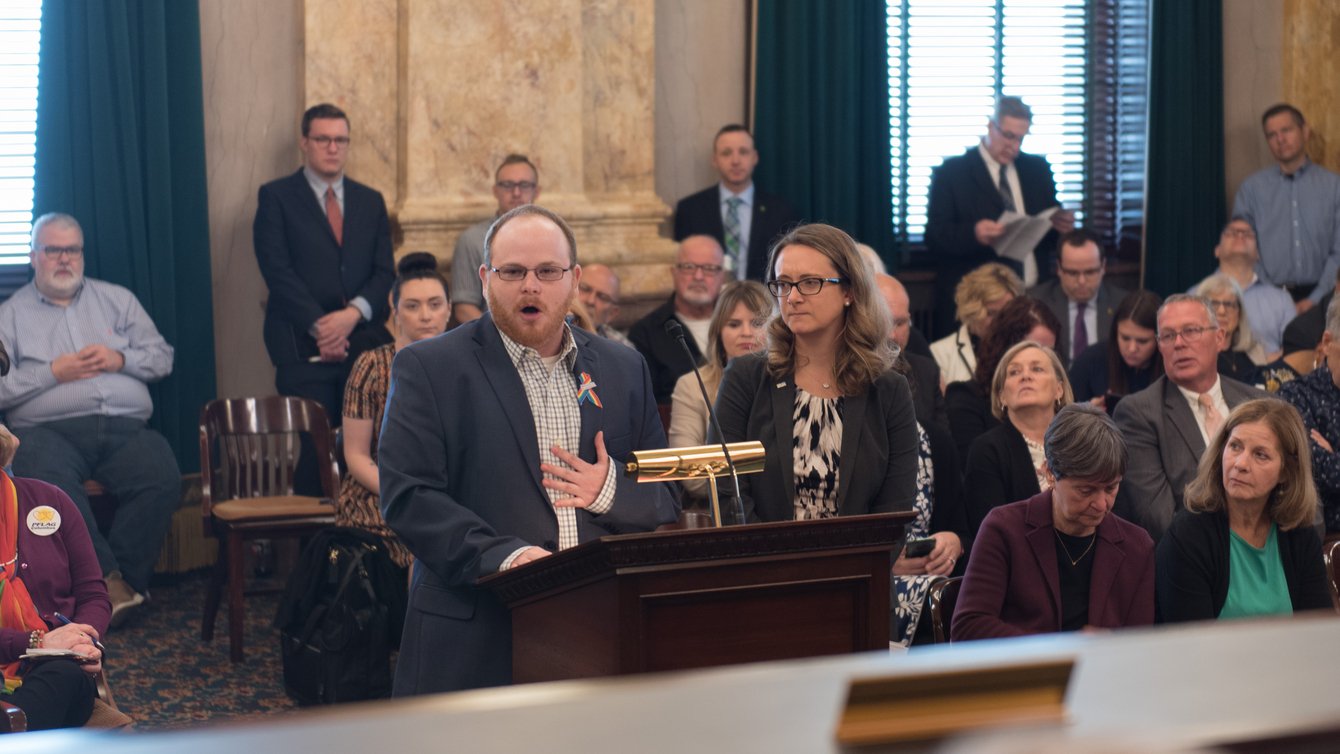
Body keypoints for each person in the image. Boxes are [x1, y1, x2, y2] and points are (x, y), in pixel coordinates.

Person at [378, 205, 679, 696]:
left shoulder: (625, 368)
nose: (531, 286)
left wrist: (607, 492)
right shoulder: (428, 368)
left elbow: (662, 493)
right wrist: (510, 559)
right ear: (484, 278)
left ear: (574, 279)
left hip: (599, 627)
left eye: (548, 272)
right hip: (476, 628)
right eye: (513, 271)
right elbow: (409, 497)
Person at [0, 213, 179, 627]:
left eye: (72, 249)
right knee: (48, 482)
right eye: (53, 250)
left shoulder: (118, 299)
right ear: (33, 256)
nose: (64, 259)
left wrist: (122, 359)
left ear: (82, 254)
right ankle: (108, 584)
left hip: (125, 427)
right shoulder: (10, 315)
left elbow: (162, 357)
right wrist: (53, 372)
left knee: (161, 475)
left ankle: (120, 587)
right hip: (47, 431)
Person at [713, 223, 919, 523]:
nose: (793, 297)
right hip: (761, 563)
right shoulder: (746, 377)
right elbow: (727, 491)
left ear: (849, 291)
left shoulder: (888, 389)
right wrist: (769, 565)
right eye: (783, 284)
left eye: (809, 282)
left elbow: (896, 507)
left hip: (860, 564)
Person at [952, 403, 1155, 641]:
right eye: (1086, 490)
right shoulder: (1003, 529)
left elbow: (1140, 646)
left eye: (1111, 488)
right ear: (1050, 474)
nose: (1101, 504)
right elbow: (968, 629)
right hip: (1027, 676)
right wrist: (1061, 648)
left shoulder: (1137, 546)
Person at [253, 103, 395, 427]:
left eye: (340, 140)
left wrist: (351, 315)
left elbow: (385, 271)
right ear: (304, 142)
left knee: (364, 443)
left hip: (363, 344)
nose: (333, 148)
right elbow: (277, 270)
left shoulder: (370, 200)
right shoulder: (276, 197)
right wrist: (322, 328)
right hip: (299, 344)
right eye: (322, 140)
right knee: (314, 453)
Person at [1156, 399, 1331, 622]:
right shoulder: (1188, 536)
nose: (1240, 464)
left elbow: (1316, 635)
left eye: (1260, 455)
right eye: (1235, 446)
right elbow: (1191, 647)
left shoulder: (1300, 537)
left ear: (1286, 471)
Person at [1113, 295, 1267, 542]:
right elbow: (1158, 520)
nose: (1179, 343)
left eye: (1191, 331)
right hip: (1197, 564)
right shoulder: (1138, 413)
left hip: (1270, 551)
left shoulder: (1261, 403)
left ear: (1220, 337)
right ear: (1159, 346)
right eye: (1168, 335)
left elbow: (1302, 498)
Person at [339, 253, 451, 575]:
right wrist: (407, 494)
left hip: (447, 493)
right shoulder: (371, 366)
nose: (425, 316)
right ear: (395, 309)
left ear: (449, 307)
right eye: (413, 306)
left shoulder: (466, 367)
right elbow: (357, 456)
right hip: (379, 493)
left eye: (435, 304)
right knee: (423, 536)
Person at [925, 96, 1074, 337]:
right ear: (990, 126)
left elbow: (1047, 231)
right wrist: (974, 233)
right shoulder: (952, 173)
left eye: (1021, 139)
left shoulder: (1037, 170)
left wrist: (1060, 226)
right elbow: (935, 237)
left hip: (1036, 292)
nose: (1014, 146)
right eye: (1008, 136)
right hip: (984, 302)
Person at [0, 419, 109, 730]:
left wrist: (82, 639)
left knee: (64, 675)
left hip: (58, 665)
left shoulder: (50, 501)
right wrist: (34, 641)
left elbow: (93, 594)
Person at [667, 280, 772, 504]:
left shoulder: (792, 380)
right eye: (734, 324)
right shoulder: (692, 385)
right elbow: (691, 475)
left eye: (756, 323)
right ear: (718, 333)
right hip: (715, 511)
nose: (746, 333)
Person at [1232, 104, 1340, 313]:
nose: (1280, 139)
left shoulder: (1334, 186)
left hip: (1328, 298)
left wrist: (1316, 299)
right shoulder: (1251, 190)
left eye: (1286, 130)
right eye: (1272, 135)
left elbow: (1339, 250)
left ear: (1305, 132)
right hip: (1265, 299)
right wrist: (1275, 298)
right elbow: (1243, 250)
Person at [963, 341, 1075, 542]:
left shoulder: (1081, 442)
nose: (1025, 376)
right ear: (1002, 397)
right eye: (1014, 372)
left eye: (1037, 369)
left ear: (1059, 389)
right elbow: (993, 533)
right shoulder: (987, 450)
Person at [673, 124, 798, 281]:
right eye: (726, 153)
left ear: (755, 158)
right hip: (709, 302)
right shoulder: (690, 210)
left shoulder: (781, 211)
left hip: (763, 301)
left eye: (743, 152)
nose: (735, 161)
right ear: (714, 160)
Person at [945, 295, 1061, 462]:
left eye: (1048, 351)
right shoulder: (965, 398)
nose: (1039, 356)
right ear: (1004, 347)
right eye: (1028, 348)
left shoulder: (1061, 399)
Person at [628, 236, 728, 405]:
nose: (698, 276)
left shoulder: (743, 324)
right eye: (689, 267)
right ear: (673, 273)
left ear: (723, 277)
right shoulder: (646, 334)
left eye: (709, 268)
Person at [450, 154, 542, 324]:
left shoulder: (552, 239)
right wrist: (501, 338)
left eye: (524, 185)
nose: (516, 193)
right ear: (495, 191)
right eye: (507, 185)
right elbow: (464, 309)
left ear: (537, 191)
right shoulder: (472, 240)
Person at [1278, 296, 1340, 533]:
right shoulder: (1296, 396)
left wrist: (1334, 458)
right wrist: (1329, 462)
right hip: (1327, 542)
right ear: (1327, 342)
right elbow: (1316, 470)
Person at [1027, 229, 1128, 366]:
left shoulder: (1122, 304)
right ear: (1059, 269)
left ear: (1103, 267)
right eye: (1073, 273)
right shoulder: (1036, 303)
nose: (1081, 281)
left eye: (1090, 272)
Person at [1201, 217, 1294, 358]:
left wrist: (1267, 365)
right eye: (1231, 233)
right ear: (1217, 250)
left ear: (1258, 254)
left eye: (1248, 234)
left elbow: (1295, 351)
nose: (1240, 235)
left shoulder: (1282, 299)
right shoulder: (1195, 295)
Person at [1068, 289, 1164, 412]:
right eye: (1125, 338)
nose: (1132, 348)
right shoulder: (1091, 359)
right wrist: (1085, 415)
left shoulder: (1172, 365)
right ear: (1115, 332)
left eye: (1142, 341)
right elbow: (1064, 415)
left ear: (1159, 338)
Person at [929, 262, 1024, 385]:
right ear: (972, 310)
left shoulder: (1024, 347)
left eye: (1007, 313)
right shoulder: (940, 353)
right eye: (992, 313)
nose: (1001, 321)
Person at [877, 274, 947, 431]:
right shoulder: (843, 375)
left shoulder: (927, 372)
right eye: (883, 322)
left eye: (900, 323)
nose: (892, 335)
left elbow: (944, 446)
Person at [1193, 274, 1268, 385]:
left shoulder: (1256, 351)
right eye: (1214, 304)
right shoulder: (1194, 355)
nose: (1222, 311)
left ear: (1239, 313)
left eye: (1229, 304)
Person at [576, 263, 633, 347]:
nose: (590, 301)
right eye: (585, 289)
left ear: (612, 314)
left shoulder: (622, 350)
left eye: (602, 297)